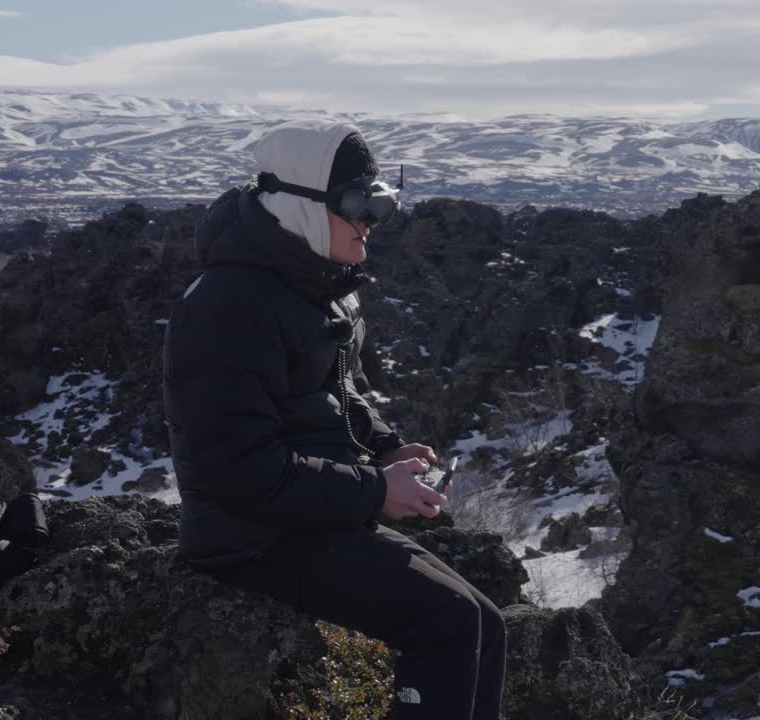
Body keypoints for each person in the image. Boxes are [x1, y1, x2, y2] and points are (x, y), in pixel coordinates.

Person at [161, 118, 506, 720]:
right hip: (250, 536)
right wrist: (375, 491)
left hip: (310, 515)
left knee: (486, 622)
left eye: (381, 205)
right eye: (356, 204)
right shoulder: (229, 307)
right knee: (445, 622)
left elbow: (340, 393)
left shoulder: (313, 283)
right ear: (296, 205)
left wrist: (386, 452)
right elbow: (234, 469)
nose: (370, 223)